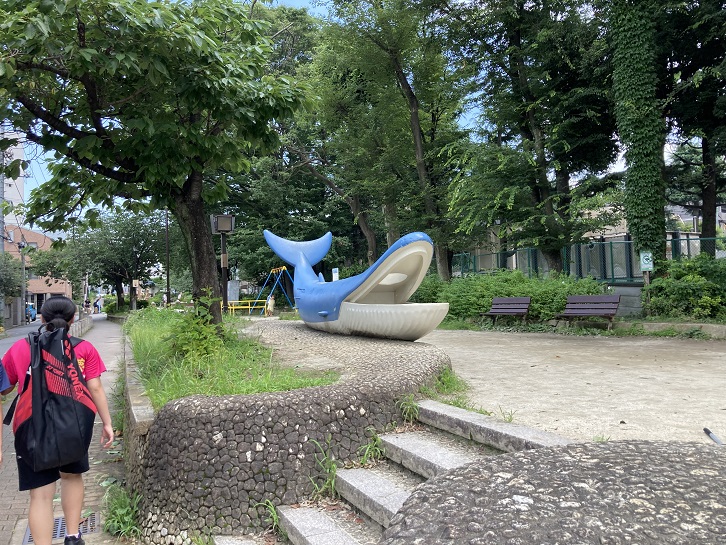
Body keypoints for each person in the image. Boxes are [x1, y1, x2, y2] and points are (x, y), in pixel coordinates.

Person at [1, 296, 114, 545]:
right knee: (72, 477)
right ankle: (72, 537)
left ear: (42, 318)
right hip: (73, 425)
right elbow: (95, 388)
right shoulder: (84, 348)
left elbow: (4, 389)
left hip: (30, 427)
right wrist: (107, 423)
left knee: (40, 494)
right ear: (73, 320)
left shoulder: (19, 348)